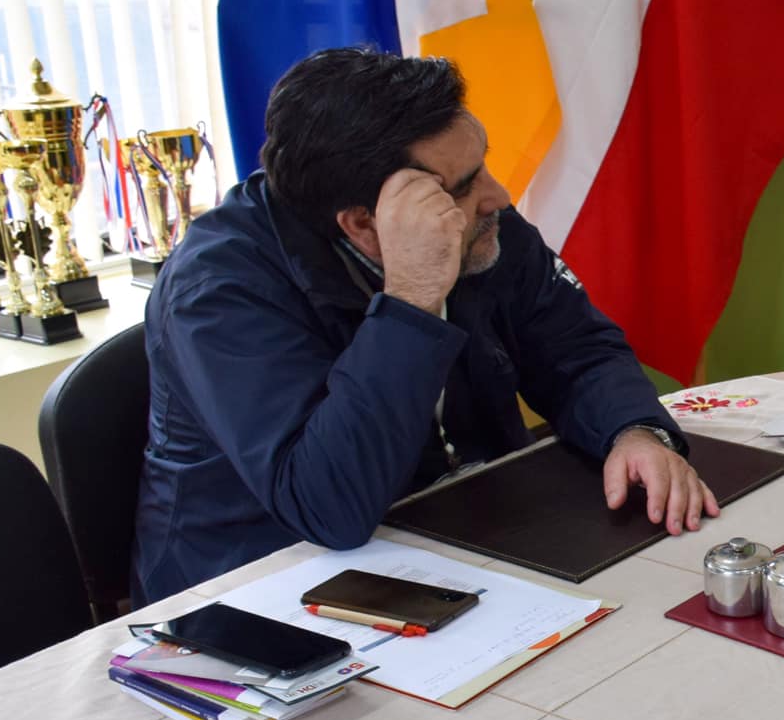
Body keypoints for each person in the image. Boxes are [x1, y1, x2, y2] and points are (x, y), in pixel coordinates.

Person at [132, 48, 716, 603]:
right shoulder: (217, 292)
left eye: (481, 165)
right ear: (366, 223)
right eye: (462, 187)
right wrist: (411, 297)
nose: (498, 196)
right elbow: (327, 506)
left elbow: (577, 348)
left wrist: (633, 431)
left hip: (461, 531)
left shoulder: (479, 225)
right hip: (265, 586)